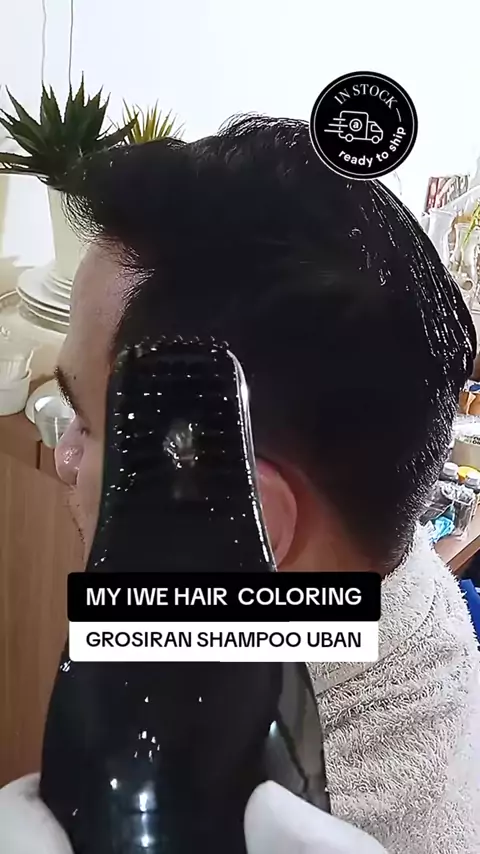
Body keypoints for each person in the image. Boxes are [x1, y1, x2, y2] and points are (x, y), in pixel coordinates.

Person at [1, 115, 479, 852]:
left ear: (240, 516)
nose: (63, 457)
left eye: (88, 428)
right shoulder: (391, 579)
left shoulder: (266, 823)